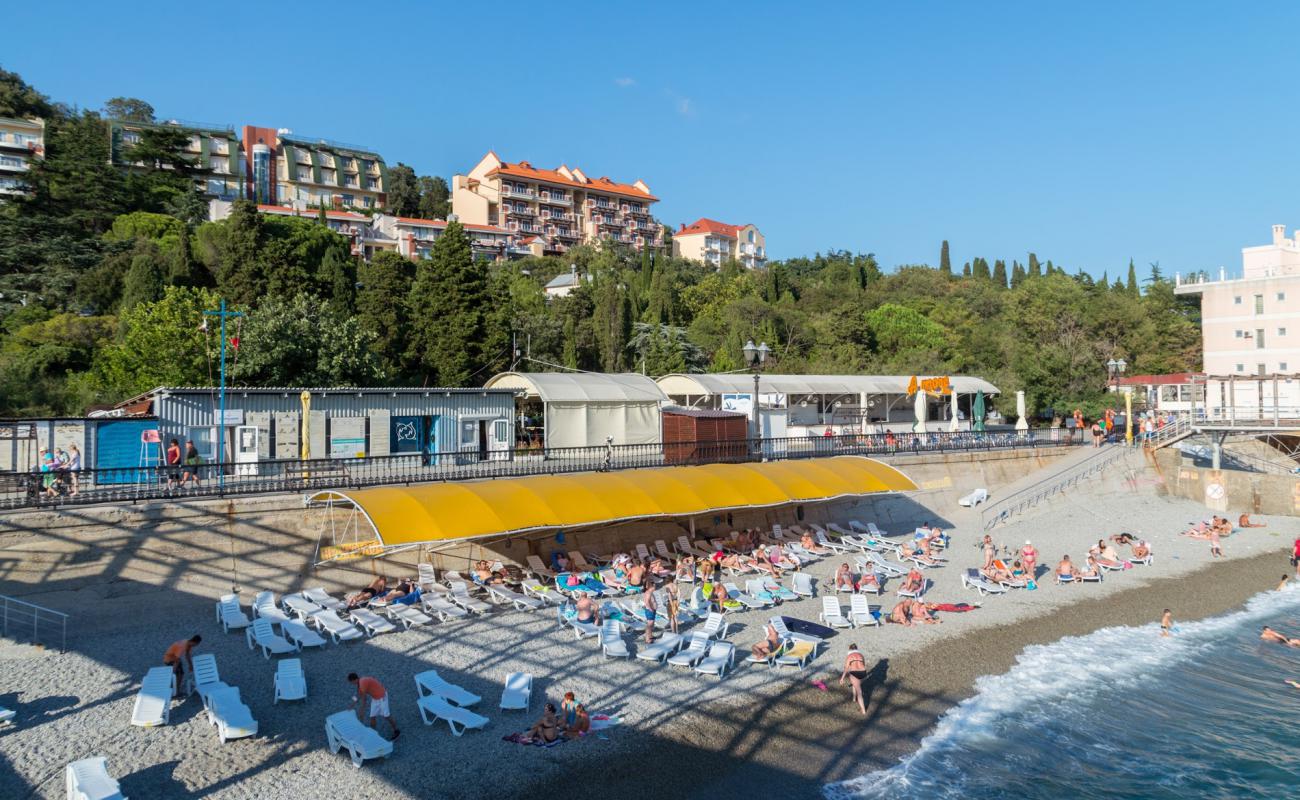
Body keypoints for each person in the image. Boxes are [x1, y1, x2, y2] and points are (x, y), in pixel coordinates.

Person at [349, 673, 399, 739]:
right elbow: (358, 695)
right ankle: (373, 734)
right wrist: (351, 705)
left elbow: (364, 699)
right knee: (372, 716)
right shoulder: (360, 683)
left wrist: (361, 712)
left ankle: (396, 730)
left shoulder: (362, 683)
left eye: (351, 682)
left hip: (382, 697)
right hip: (375, 698)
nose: (351, 684)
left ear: (354, 680)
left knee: (386, 716)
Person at [840, 643, 869, 716]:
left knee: (859, 692)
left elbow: (846, 668)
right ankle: (853, 698)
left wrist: (842, 678)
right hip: (863, 673)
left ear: (850, 649)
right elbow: (863, 665)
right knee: (856, 684)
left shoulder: (849, 656)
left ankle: (863, 710)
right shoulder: (861, 655)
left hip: (854, 673)